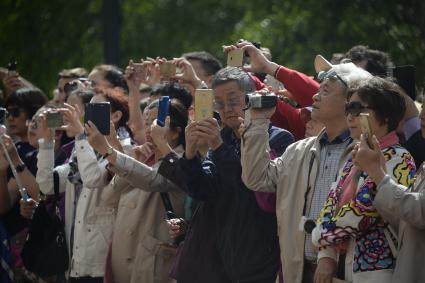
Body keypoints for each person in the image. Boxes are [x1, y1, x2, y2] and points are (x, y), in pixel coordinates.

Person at [240, 55, 371, 283]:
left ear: (349, 103)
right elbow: (256, 179)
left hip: (345, 274)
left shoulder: (368, 154)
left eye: (326, 91)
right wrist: (258, 124)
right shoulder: (297, 150)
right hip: (297, 272)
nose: (315, 96)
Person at [155, 67, 294, 282]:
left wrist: (218, 146)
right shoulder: (225, 137)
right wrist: (190, 154)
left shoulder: (277, 138)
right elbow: (205, 190)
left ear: (250, 97)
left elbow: (248, 184)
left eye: (233, 100)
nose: (227, 109)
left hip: (261, 254)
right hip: (223, 256)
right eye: (219, 104)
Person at [311, 77, 416, 282]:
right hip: (344, 267)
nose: (350, 116)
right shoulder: (356, 154)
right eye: (348, 108)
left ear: (385, 117)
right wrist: (326, 255)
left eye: (358, 109)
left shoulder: (400, 158)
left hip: (378, 270)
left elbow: (363, 210)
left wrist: (319, 236)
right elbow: (331, 201)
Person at [86, 98, 188, 283]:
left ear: (176, 132)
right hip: (124, 259)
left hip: (154, 262)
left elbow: (153, 180)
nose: (150, 129)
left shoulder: (183, 162)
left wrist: (109, 152)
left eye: (157, 124)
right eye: (147, 123)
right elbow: (108, 198)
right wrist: (131, 157)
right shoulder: (143, 158)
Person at [35, 88, 127, 282]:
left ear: (116, 116)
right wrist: (47, 143)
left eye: (96, 109)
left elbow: (93, 179)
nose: (87, 117)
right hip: (75, 257)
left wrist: (80, 137)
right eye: (88, 110)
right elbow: (47, 185)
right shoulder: (81, 151)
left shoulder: (124, 150)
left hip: (102, 261)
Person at [352, 99, 425, 283]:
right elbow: (404, 221)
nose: (422, 115)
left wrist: (378, 174)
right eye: (423, 107)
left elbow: (419, 211)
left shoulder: (401, 156)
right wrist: (379, 172)